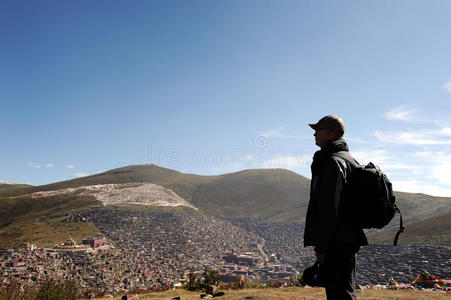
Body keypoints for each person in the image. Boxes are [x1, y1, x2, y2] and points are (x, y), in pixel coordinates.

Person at [303, 115, 368, 300]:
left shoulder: (332, 162)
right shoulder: (349, 159)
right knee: (344, 291)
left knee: (339, 294)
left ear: (331, 133)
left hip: (336, 241)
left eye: (318, 130)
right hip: (348, 237)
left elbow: (329, 209)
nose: (315, 134)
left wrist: (322, 248)